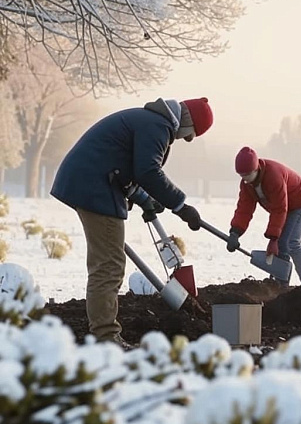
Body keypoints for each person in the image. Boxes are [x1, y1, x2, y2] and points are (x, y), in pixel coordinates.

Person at [51, 97, 213, 346]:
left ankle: (104, 332)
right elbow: (147, 171)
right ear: (187, 122)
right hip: (94, 187)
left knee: (108, 261)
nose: (187, 139)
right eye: (190, 135)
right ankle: (106, 336)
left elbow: (125, 166)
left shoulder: (149, 120)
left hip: (91, 181)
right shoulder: (157, 126)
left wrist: (144, 199)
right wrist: (180, 205)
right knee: (109, 264)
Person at [226, 147, 301, 295]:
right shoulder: (246, 184)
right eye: (241, 175)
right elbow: (244, 209)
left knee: (290, 243)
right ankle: (280, 288)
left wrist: (273, 239)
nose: (245, 178)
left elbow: (279, 208)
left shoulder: (273, 176)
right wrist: (235, 232)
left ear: (256, 169)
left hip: (300, 202)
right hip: (283, 208)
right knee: (281, 246)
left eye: (247, 174)